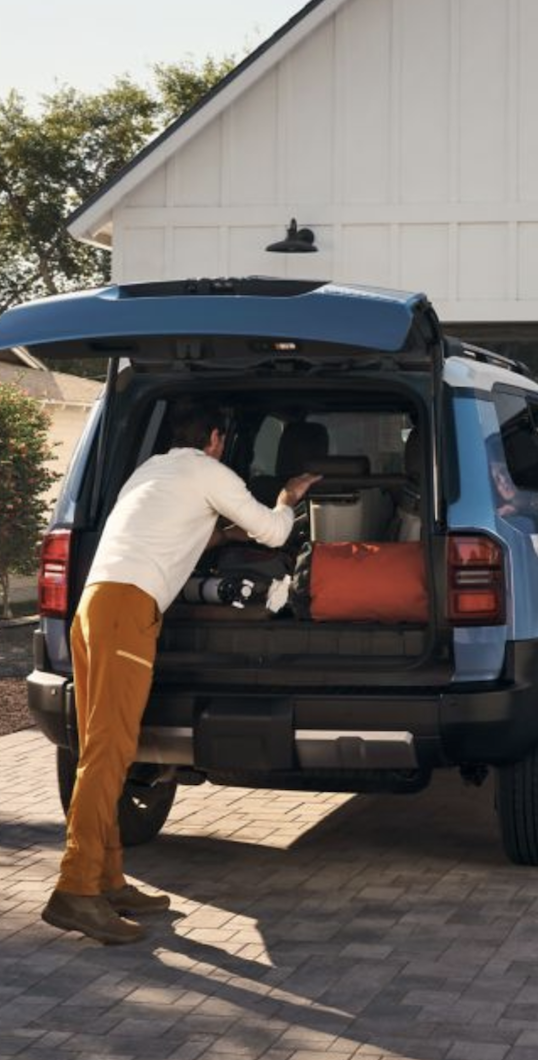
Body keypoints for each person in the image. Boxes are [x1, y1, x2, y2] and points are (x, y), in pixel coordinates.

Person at [44, 404, 320, 944]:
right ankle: (75, 889)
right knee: (108, 750)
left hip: (93, 607)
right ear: (217, 437)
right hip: (127, 613)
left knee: (110, 747)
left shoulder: (151, 472)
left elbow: (172, 532)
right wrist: (288, 498)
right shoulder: (209, 470)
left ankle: (108, 879)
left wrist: (220, 538)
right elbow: (271, 533)